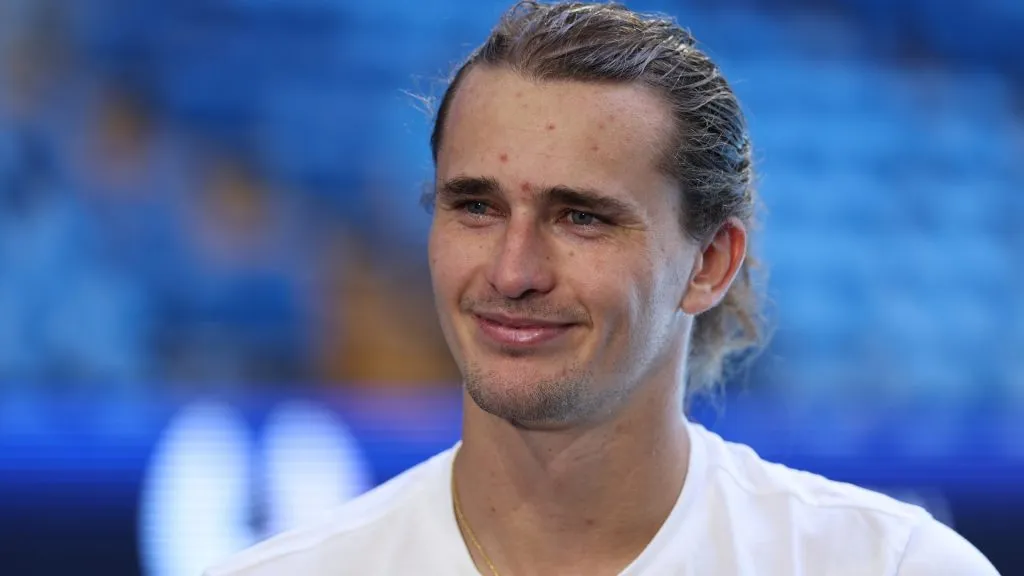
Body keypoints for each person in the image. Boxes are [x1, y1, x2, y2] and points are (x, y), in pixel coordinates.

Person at [205, 2, 999, 574]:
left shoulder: (888, 565)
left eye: (581, 218)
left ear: (710, 264)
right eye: (475, 207)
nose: (513, 272)